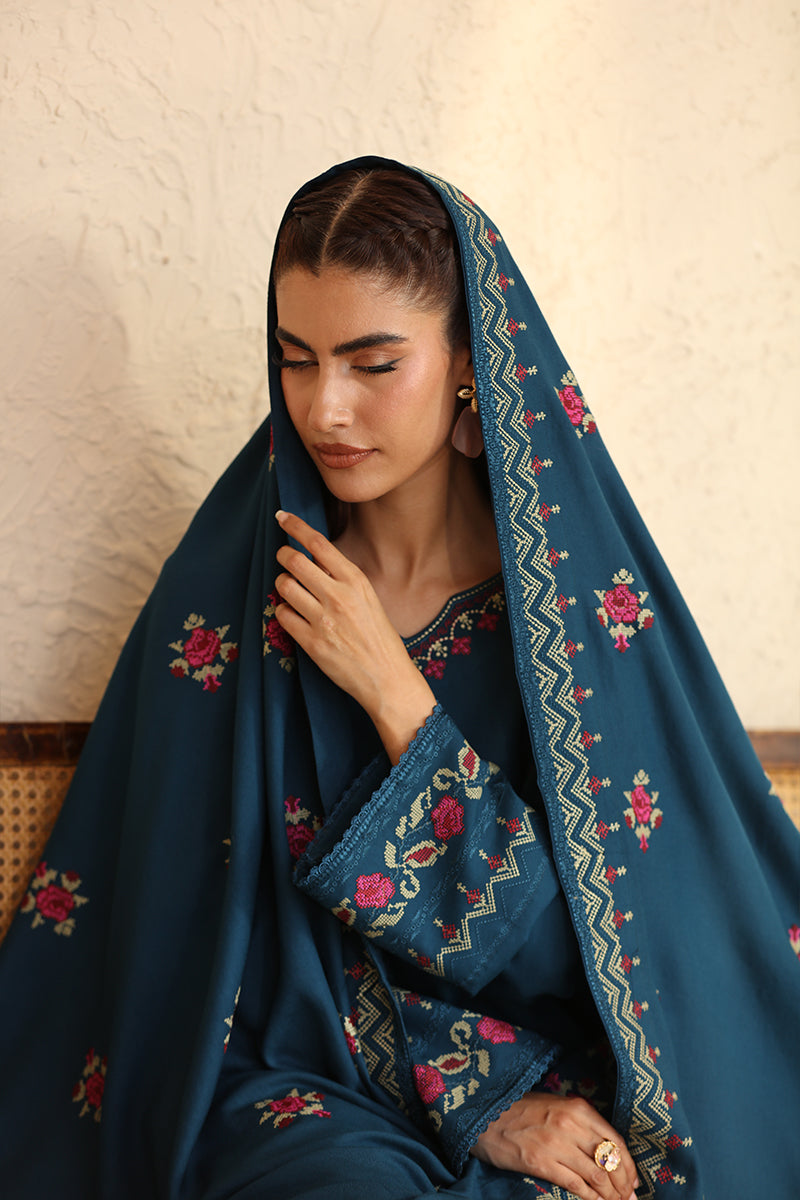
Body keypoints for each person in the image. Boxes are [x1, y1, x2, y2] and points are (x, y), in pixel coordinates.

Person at [0, 156, 798, 1200]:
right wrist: (471, 1094)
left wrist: (395, 696)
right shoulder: (240, 591)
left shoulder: (569, 613)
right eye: (294, 360)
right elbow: (201, 939)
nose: (323, 408)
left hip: (568, 1072)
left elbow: (613, 959)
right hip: (302, 1082)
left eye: (372, 363)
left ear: (471, 360)